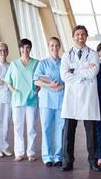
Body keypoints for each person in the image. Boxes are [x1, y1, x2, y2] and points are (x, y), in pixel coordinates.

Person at [60, 25, 101, 172]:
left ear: (86, 36)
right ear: (73, 36)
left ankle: (93, 161)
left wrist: (75, 71)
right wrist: (83, 73)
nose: (80, 37)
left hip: (88, 97)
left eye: (83, 34)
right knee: (68, 133)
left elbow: (93, 72)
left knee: (91, 133)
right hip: (72, 98)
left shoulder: (93, 54)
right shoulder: (66, 55)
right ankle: (67, 162)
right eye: (77, 34)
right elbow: (64, 75)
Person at [5, 38, 39, 162]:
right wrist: (14, 91)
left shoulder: (36, 63)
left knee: (31, 127)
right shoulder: (14, 64)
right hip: (17, 100)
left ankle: (31, 152)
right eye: (23, 47)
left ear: (30, 49)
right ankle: (19, 153)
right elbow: (8, 81)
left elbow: (39, 80)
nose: (25, 50)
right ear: (20, 49)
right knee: (18, 127)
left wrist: (36, 91)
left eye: (27, 47)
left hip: (31, 99)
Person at [33, 37, 64, 167]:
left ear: (60, 46)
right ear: (48, 46)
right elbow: (36, 81)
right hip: (46, 101)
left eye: (57, 45)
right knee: (46, 129)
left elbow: (69, 80)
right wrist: (50, 85)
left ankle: (58, 156)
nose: (54, 48)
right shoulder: (43, 63)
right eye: (52, 45)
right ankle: (47, 157)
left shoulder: (64, 62)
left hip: (62, 100)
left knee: (59, 129)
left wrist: (61, 86)